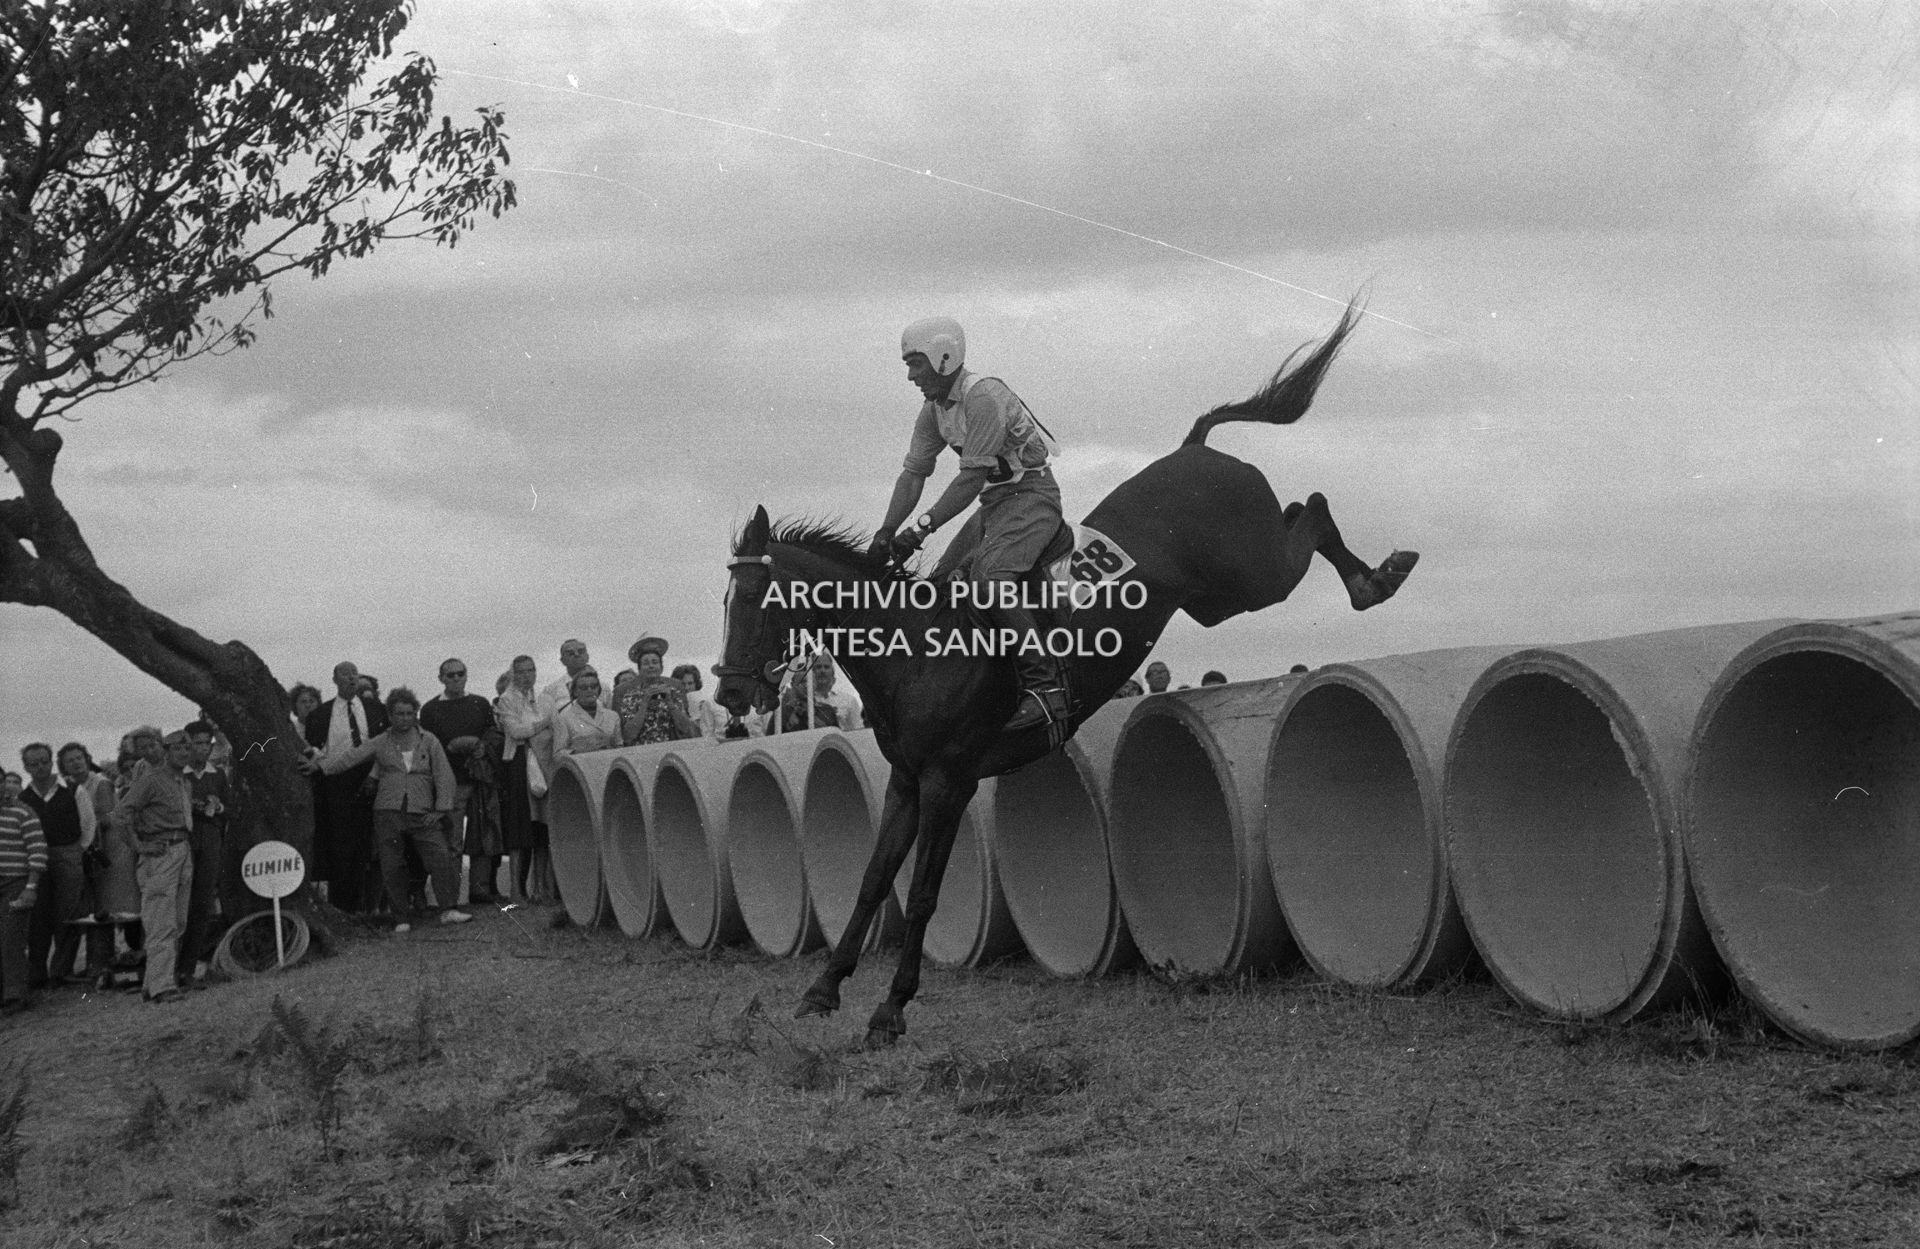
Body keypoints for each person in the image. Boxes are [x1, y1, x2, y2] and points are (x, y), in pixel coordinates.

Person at [873, 316, 1066, 732]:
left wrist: (918, 530)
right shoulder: (933, 411)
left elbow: (970, 479)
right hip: (996, 503)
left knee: (989, 582)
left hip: (1032, 496)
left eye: (916, 364)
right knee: (942, 586)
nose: (910, 376)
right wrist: (886, 531)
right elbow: (913, 475)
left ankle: (1046, 689)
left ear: (943, 357)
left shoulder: (983, 396)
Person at [305, 688, 470, 933]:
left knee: (440, 856)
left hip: (422, 810)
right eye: (398, 714)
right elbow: (352, 756)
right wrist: (320, 767)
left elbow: (444, 776)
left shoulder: (429, 740)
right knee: (392, 865)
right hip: (388, 811)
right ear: (390, 715)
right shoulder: (381, 740)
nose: (404, 718)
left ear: (415, 714)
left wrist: (441, 808)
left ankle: (448, 909)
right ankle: (401, 917)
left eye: (409, 713)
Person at [19, 742, 106, 990]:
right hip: (37, 860)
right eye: (34, 764)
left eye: (44, 761)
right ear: (26, 767)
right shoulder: (23, 798)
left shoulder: (73, 790)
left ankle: (61, 971)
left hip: (69, 853)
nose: (40, 768)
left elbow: (88, 824)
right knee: (38, 917)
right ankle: (37, 973)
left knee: (68, 914)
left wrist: (77, 852)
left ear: (51, 762)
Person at [117, 729, 196, 1002]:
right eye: (177, 748)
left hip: (182, 849)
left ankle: (154, 983)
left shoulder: (182, 781)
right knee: (161, 920)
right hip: (160, 852)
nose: (184, 753)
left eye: (187, 748)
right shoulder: (150, 780)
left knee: (177, 920)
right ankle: (162, 987)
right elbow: (121, 814)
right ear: (166, 750)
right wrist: (138, 846)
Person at [303, 661, 387, 911]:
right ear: (334, 679)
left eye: (354, 674)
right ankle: (343, 908)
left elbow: (385, 745)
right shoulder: (320, 714)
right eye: (345, 674)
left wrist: (374, 774)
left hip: (373, 777)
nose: (351, 679)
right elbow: (315, 750)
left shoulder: (376, 709)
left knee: (373, 846)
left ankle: (375, 907)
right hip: (337, 784)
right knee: (340, 847)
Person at [420, 657, 495, 904]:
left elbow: (492, 735)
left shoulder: (480, 704)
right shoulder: (430, 710)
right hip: (449, 782)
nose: (455, 679)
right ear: (441, 678)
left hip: (479, 779)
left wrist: (481, 747)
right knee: (453, 841)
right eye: (450, 675)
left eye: (460, 674)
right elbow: (427, 748)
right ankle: (451, 897)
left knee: (483, 835)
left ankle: (480, 890)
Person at [178, 720, 230, 988]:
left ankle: (189, 967)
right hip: (183, 840)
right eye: (196, 743)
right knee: (179, 904)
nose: (202, 749)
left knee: (202, 903)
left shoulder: (217, 774)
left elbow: (228, 809)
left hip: (209, 838)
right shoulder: (178, 773)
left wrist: (217, 807)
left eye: (207, 744)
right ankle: (169, 967)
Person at [494, 655, 546, 903]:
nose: (527, 675)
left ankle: (539, 888)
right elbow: (515, 732)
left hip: (540, 758)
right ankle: (516, 889)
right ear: (514, 674)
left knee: (540, 825)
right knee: (519, 825)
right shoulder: (507, 699)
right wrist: (544, 724)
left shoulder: (538, 697)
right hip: (518, 760)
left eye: (531, 670)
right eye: (522, 672)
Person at [0, 783, 47, 1013]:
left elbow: (37, 850)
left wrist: (30, 887)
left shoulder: (23, 812)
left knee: (11, 938)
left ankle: (15, 995)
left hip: (16, 882)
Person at [611, 636, 695, 746]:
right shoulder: (630, 696)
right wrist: (644, 703)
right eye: (646, 663)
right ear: (639, 669)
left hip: (672, 747)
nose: (651, 666)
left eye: (655, 662)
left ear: (661, 667)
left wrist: (670, 703)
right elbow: (628, 735)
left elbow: (686, 728)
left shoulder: (673, 691)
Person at [551, 669, 621, 758]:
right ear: (575, 691)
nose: (589, 690)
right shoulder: (564, 718)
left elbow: (620, 746)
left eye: (593, 686)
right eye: (583, 688)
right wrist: (581, 751)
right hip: (580, 767)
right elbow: (558, 754)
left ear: (599, 689)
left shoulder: (613, 716)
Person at [673, 663, 730, 743]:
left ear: (696, 684)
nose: (686, 688)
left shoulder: (705, 703)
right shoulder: (670, 704)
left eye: (690, 683)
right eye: (682, 684)